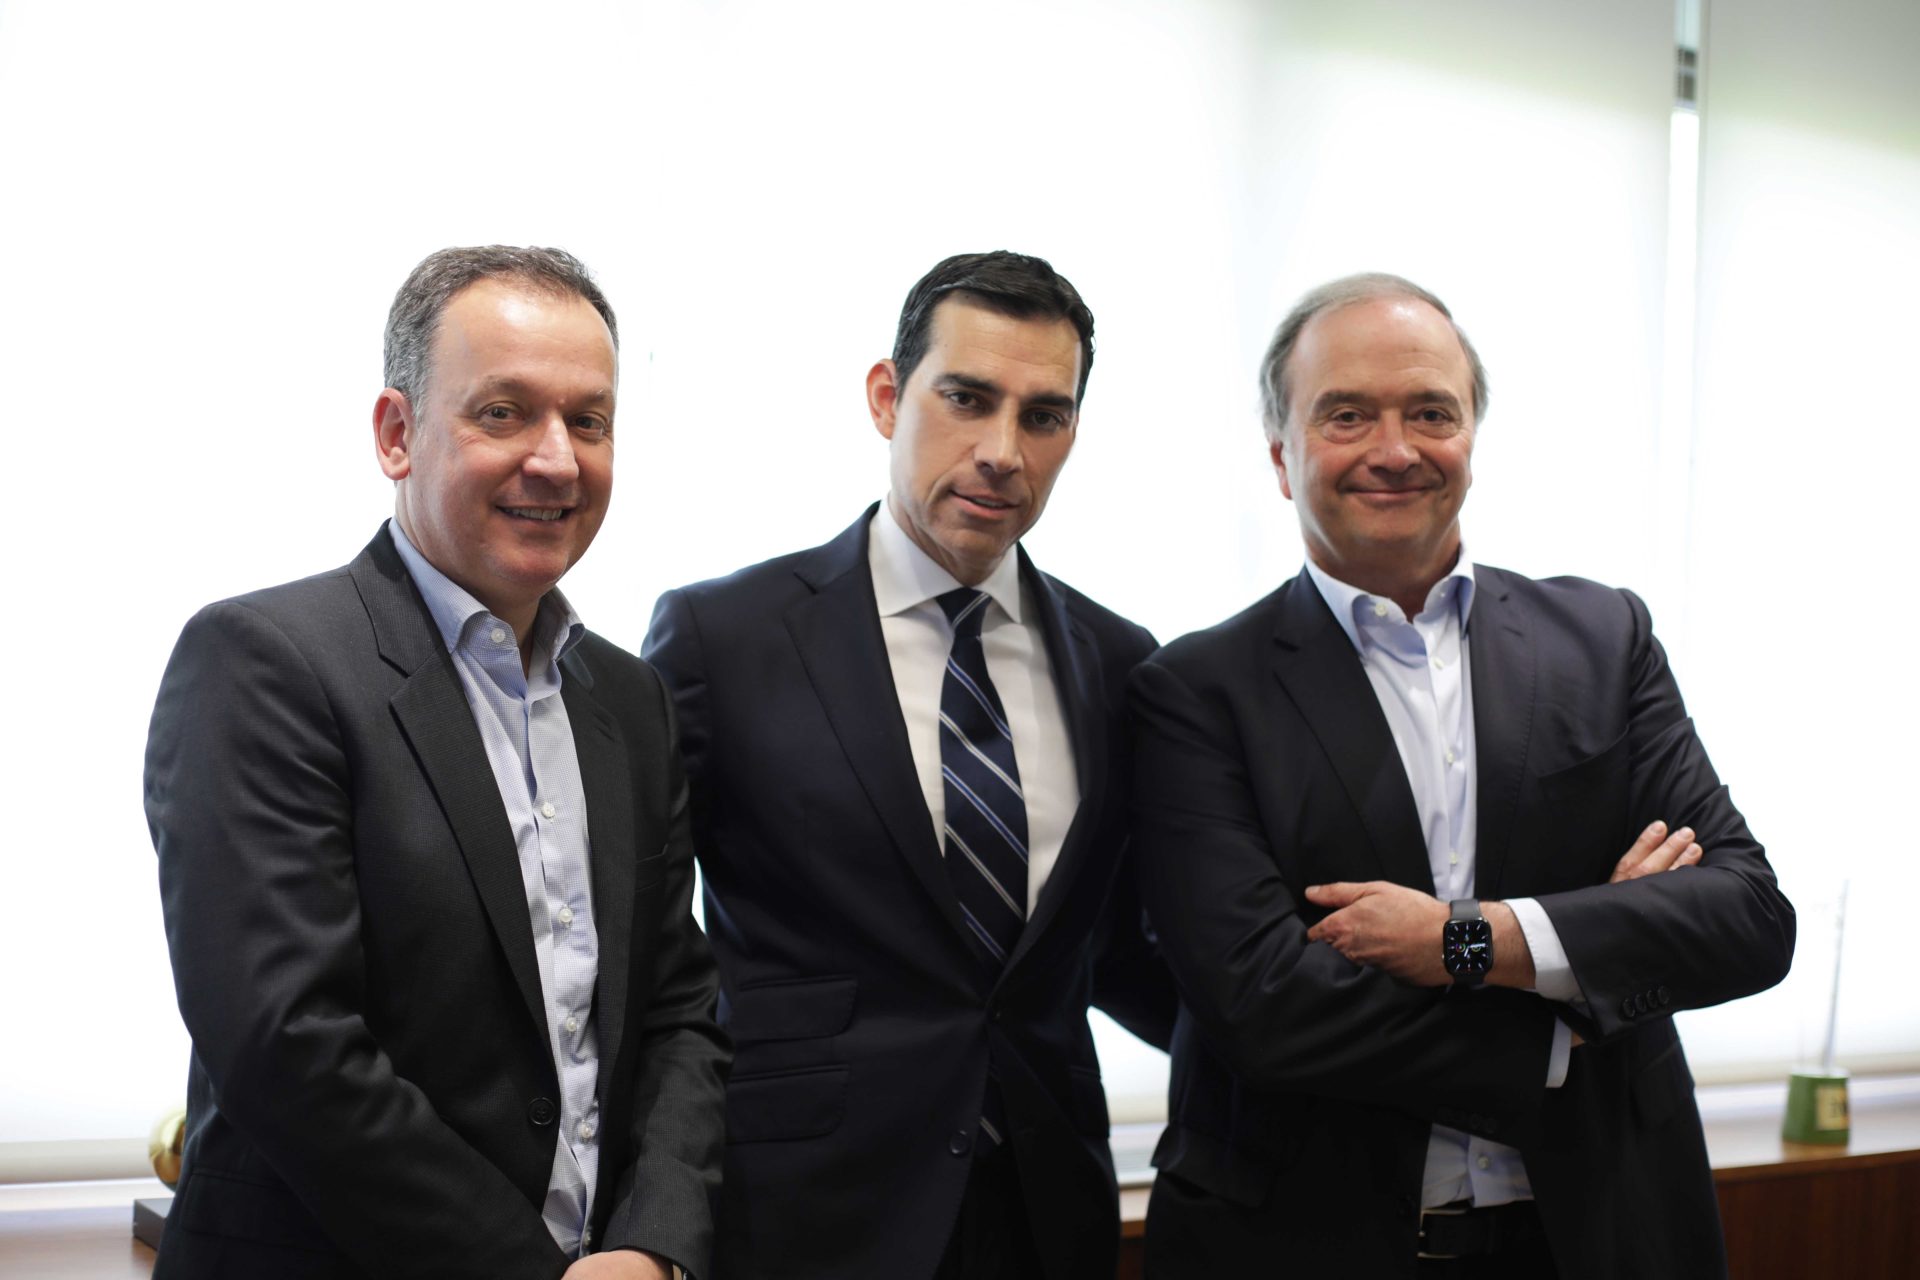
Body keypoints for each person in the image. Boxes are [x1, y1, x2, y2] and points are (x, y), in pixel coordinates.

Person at [1131, 273, 1795, 1279]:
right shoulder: (1193, 691)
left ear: (1472, 436)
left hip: (1601, 1234)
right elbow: (1264, 1005)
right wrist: (1576, 1001)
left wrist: (1466, 940)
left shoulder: (1603, 639)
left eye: (1431, 412)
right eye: (1347, 414)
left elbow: (1747, 914)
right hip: (1310, 1244)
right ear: (1280, 455)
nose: (1395, 448)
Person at [145, 246, 728, 1280]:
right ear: (396, 433)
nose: (557, 459)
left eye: (589, 420)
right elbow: (291, 1043)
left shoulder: (630, 699)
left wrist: (655, 1241)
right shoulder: (265, 663)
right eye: (503, 412)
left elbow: (678, 1008)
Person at [643, 251, 1176, 1280]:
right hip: (805, 1212)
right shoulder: (724, 637)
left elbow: (1119, 949)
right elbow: (649, 959)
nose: (1002, 452)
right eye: (966, 399)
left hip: (1046, 1210)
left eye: (1043, 416)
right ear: (888, 397)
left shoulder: (1119, 660)